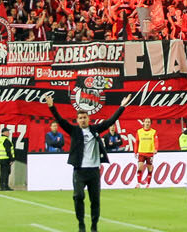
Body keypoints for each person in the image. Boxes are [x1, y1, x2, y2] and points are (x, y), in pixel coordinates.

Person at [49, 99, 129, 232]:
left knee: (95, 200)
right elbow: (60, 120)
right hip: (79, 171)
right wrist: (52, 106)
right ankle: (81, 223)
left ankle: (94, 225)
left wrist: (121, 107)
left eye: (84, 117)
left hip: (94, 171)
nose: (82, 120)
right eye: (80, 118)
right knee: (78, 196)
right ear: (77, 120)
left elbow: (110, 121)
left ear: (89, 118)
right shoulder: (74, 131)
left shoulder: (95, 129)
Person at [135, 119, 158, 186]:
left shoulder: (153, 132)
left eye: (148, 122)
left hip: (150, 152)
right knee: (140, 167)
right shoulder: (139, 131)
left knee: (149, 168)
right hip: (141, 152)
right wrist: (135, 151)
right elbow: (137, 142)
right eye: (146, 122)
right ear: (143, 123)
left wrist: (156, 148)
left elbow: (156, 141)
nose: (147, 123)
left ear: (150, 123)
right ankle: (138, 183)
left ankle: (148, 183)